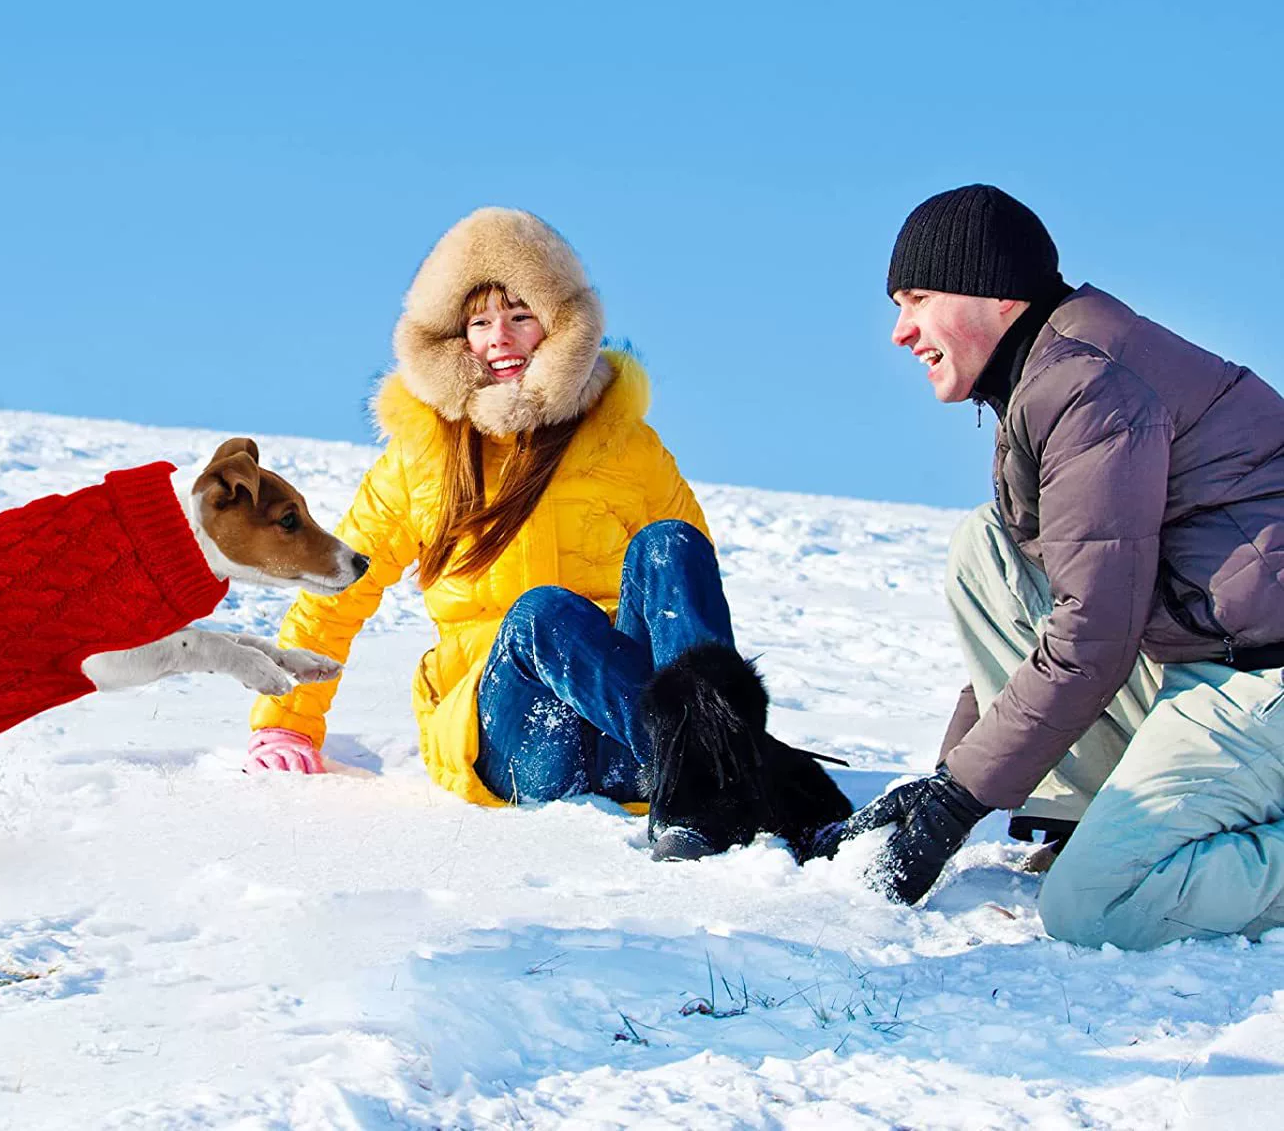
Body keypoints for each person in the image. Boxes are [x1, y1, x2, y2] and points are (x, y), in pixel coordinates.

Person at [241, 207, 844, 858]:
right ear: (453, 339)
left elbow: (688, 602)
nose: (499, 337)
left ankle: (705, 788)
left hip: (628, 738)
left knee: (672, 543)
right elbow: (339, 589)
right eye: (479, 322)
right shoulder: (422, 456)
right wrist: (285, 724)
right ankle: (744, 780)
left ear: (556, 324)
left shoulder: (623, 442)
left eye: (520, 315)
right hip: (514, 731)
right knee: (543, 614)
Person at [826, 183, 1284, 949]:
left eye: (917, 298)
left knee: (1099, 908)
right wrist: (945, 782)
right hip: (1205, 665)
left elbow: (1093, 635)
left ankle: (1127, 852)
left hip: (1263, 680)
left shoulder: (1089, 383)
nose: (901, 331)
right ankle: (1089, 815)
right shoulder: (1049, 375)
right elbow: (1045, 617)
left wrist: (959, 801)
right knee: (989, 549)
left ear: (993, 293)